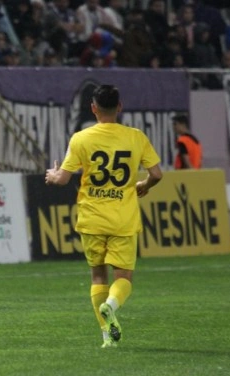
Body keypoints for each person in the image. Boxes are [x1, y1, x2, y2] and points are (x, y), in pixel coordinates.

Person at [44, 85, 163, 348]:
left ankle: (107, 336)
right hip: (123, 219)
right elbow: (156, 174)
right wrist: (144, 185)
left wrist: (52, 176)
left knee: (98, 277)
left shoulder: (81, 139)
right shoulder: (136, 137)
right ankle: (111, 305)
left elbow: (62, 179)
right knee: (124, 278)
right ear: (119, 107)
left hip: (92, 218)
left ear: (93, 108)